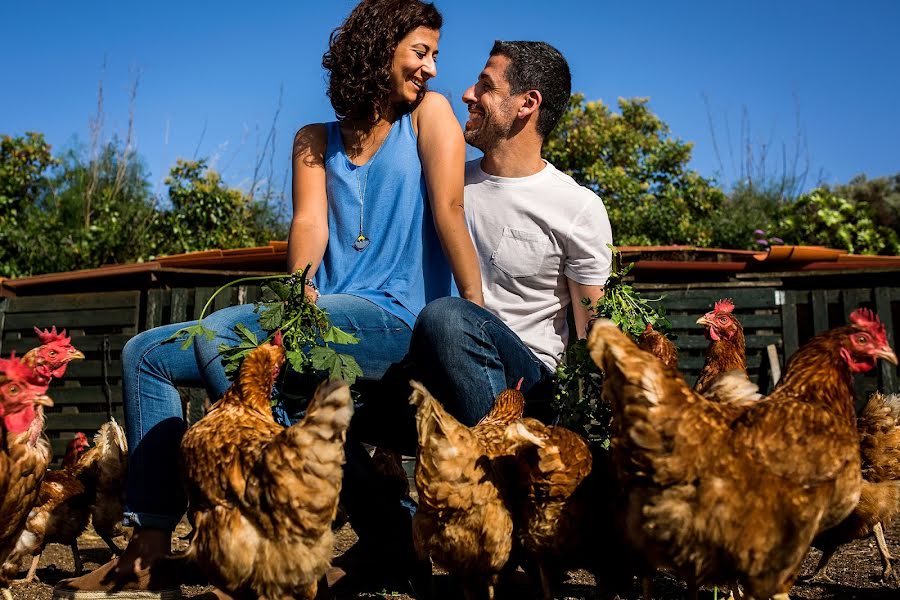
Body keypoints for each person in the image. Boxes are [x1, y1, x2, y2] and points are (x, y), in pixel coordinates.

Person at [53, 1, 481, 598]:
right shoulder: (313, 141)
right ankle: (148, 553)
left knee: (229, 342)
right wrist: (301, 298)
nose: (432, 68)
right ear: (380, 48)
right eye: (420, 51)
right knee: (145, 352)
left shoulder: (428, 117)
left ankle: (330, 530)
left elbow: (450, 209)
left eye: (434, 53)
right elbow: (308, 225)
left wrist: (471, 311)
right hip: (320, 317)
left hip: (393, 318)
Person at [361, 40, 612, 448]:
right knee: (326, 402)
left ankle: (503, 470)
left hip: (527, 387)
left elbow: (592, 335)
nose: (466, 95)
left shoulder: (577, 207)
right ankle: (391, 508)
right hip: (430, 367)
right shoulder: (446, 186)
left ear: (527, 103)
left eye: (485, 87)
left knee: (447, 317)